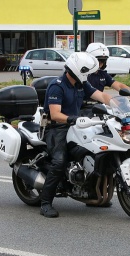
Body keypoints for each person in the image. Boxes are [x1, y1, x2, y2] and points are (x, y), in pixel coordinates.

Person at [40, 52, 112, 218]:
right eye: (86, 72)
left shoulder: (81, 84)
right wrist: (73, 119)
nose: (88, 76)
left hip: (76, 126)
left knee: (97, 150)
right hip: (56, 129)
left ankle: (93, 193)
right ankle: (45, 203)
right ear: (78, 71)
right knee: (59, 162)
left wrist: (118, 105)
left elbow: (100, 95)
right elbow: (56, 114)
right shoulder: (57, 86)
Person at [84, 42, 129, 107]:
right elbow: (102, 96)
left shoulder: (102, 74)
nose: (101, 63)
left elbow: (118, 85)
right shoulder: (83, 76)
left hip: (99, 107)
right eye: (99, 60)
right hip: (84, 108)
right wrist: (117, 104)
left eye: (103, 61)